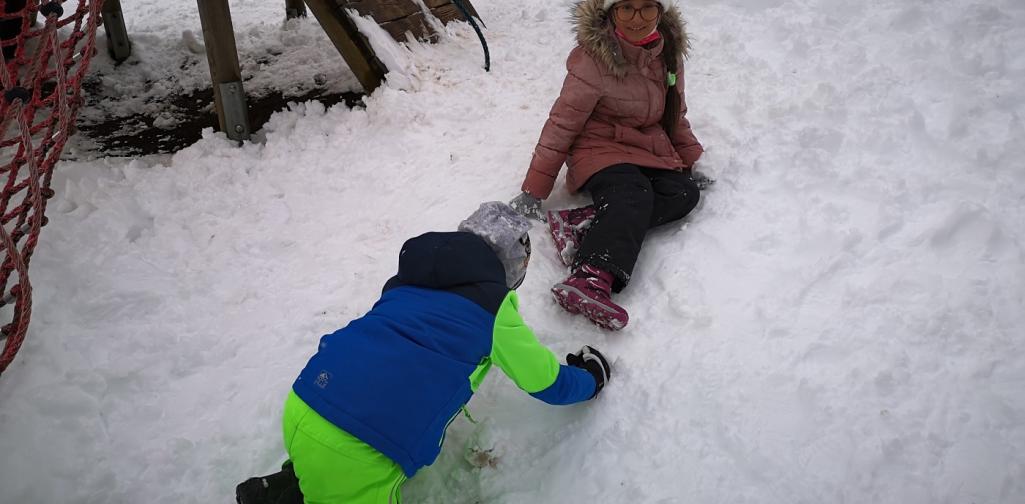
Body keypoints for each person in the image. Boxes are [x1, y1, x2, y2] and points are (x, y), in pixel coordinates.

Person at [236, 202, 612, 504]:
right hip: (359, 446)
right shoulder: (492, 309)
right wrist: (590, 378)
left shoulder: (404, 284)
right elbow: (546, 382)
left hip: (305, 400)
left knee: (325, 464)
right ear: (511, 267)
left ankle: (289, 486)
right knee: (339, 471)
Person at [510, 0, 709, 330]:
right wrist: (534, 189)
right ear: (611, 12)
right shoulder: (593, 59)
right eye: (626, 8)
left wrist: (694, 159)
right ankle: (590, 276)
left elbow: (675, 114)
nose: (637, 18)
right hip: (598, 147)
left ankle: (583, 225)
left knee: (683, 194)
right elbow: (562, 123)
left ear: (660, 11)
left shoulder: (668, 50)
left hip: (645, 146)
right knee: (633, 194)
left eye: (647, 8)